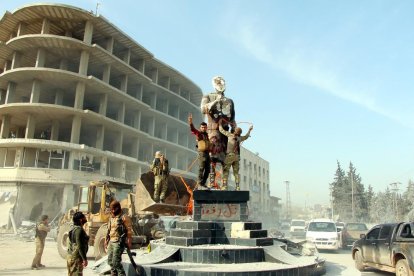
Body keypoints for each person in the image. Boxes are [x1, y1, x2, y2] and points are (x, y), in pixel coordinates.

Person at [200, 76, 236, 186]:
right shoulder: (208, 96)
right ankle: (211, 183)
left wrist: (234, 131)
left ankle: (224, 184)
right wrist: (215, 101)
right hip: (213, 132)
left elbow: (233, 118)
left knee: (226, 159)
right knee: (212, 159)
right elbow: (203, 109)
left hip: (225, 133)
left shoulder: (230, 101)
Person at [219, 122, 253, 191]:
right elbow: (246, 137)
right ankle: (237, 187)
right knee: (236, 173)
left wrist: (219, 124)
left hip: (230, 155)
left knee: (226, 171)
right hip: (237, 157)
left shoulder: (230, 135)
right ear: (240, 133)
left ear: (235, 131)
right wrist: (249, 130)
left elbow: (221, 130)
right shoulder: (240, 138)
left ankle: (224, 186)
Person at [105, 200, 133, 276]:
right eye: (112, 209)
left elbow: (129, 230)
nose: (113, 211)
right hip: (111, 241)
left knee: (116, 262)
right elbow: (108, 229)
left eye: (114, 209)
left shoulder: (124, 217)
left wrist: (129, 241)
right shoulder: (111, 217)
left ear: (118, 208)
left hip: (118, 242)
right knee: (110, 261)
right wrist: (106, 241)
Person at [188, 113, 211, 189]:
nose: (203, 128)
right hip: (202, 153)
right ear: (200, 127)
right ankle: (199, 183)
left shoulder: (207, 135)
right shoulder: (199, 134)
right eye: (202, 127)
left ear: (206, 128)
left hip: (207, 153)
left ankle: (203, 183)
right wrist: (191, 123)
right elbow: (193, 129)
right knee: (201, 168)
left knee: (208, 169)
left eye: (205, 127)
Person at [67, 211, 89, 276]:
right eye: (83, 216)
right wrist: (84, 259)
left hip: (71, 257)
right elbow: (80, 246)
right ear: (80, 220)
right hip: (76, 259)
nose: (85, 217)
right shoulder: (79, 230)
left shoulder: (73, 229)